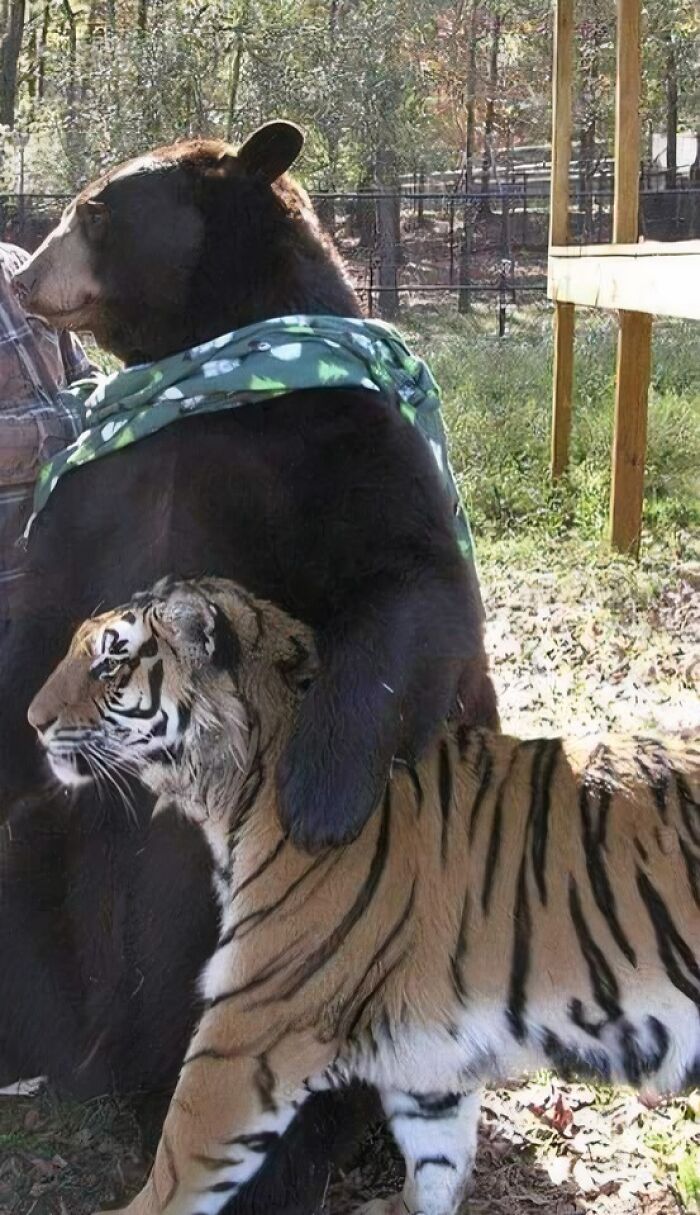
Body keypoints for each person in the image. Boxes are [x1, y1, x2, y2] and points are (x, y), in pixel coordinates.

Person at [0, 241, 95, 633]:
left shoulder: (19, 264)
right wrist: (75, 423)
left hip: (64, 572)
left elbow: (84, 377)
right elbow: (92, 406)